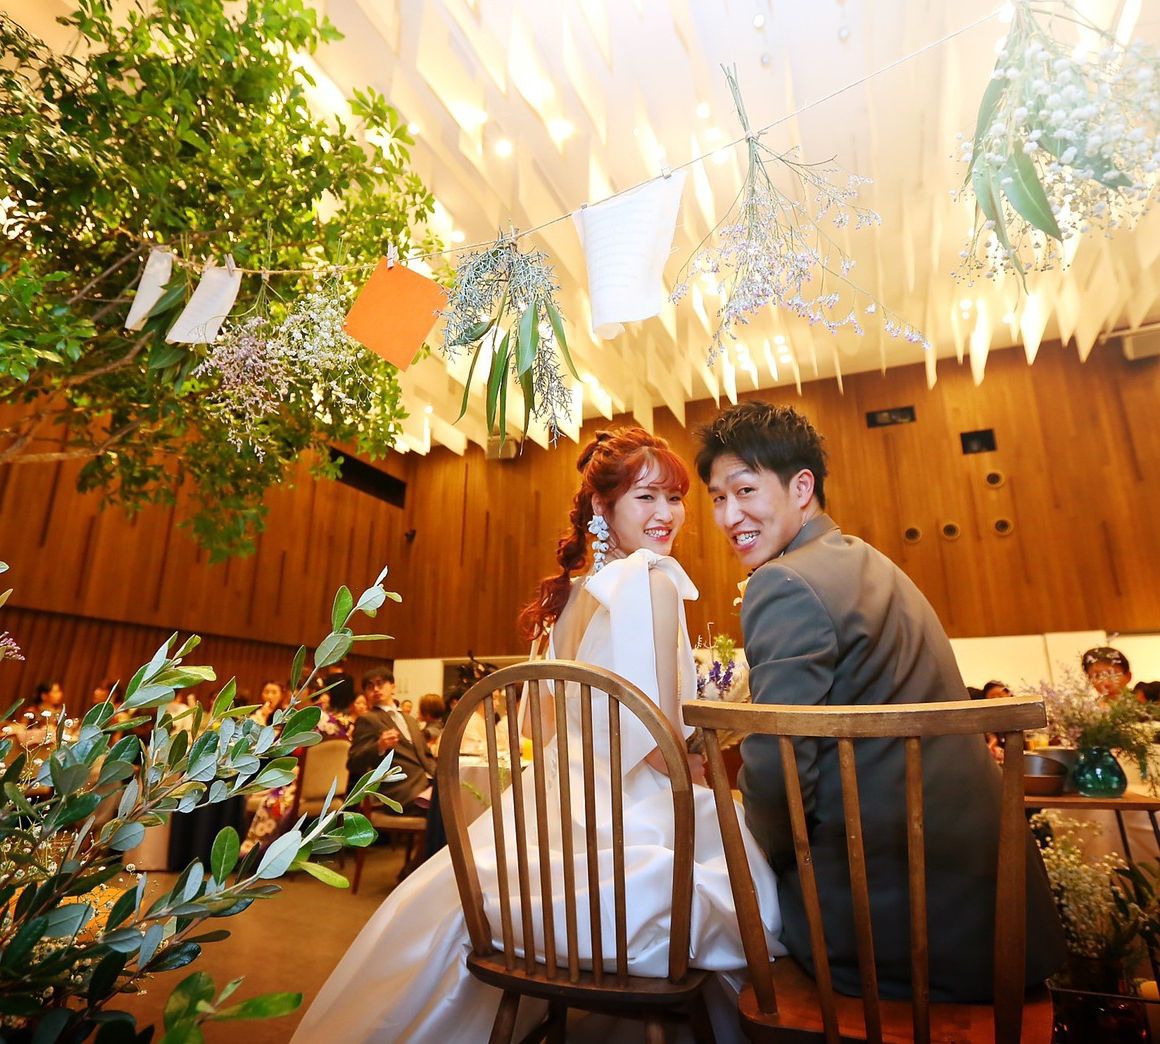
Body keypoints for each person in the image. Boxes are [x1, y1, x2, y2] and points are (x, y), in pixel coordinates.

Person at [293, 427, 784, 1043]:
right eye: (646, 497)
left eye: (675, 498)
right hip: (621, 850)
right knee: (750, 866)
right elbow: (660, 741)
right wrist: (698, 765)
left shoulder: (566, 599)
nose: (666, 513)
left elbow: (534, 726)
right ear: (603, 507)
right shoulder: (651, 579)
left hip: (543, 845)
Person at [696, 400, 1064, 1003]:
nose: (729, 515)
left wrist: (765, 854)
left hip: (897, 929)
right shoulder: (871, 561)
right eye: (717, 498)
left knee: (713, 927)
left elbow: (779, 772)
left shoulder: (783, 582)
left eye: (744, 490)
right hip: (993, 916)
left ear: (801, 487)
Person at [346, 666, 434, 813]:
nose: (375, 689)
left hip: (429, 785)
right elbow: (354, 763)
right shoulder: (368, 719)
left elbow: (427, 756)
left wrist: (440, 778)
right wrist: (379, 746)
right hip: (401, 792)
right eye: (370, 687)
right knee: (447, 810)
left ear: (393, 687)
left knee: (463, 795)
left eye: (380, 684)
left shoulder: (411, 720)